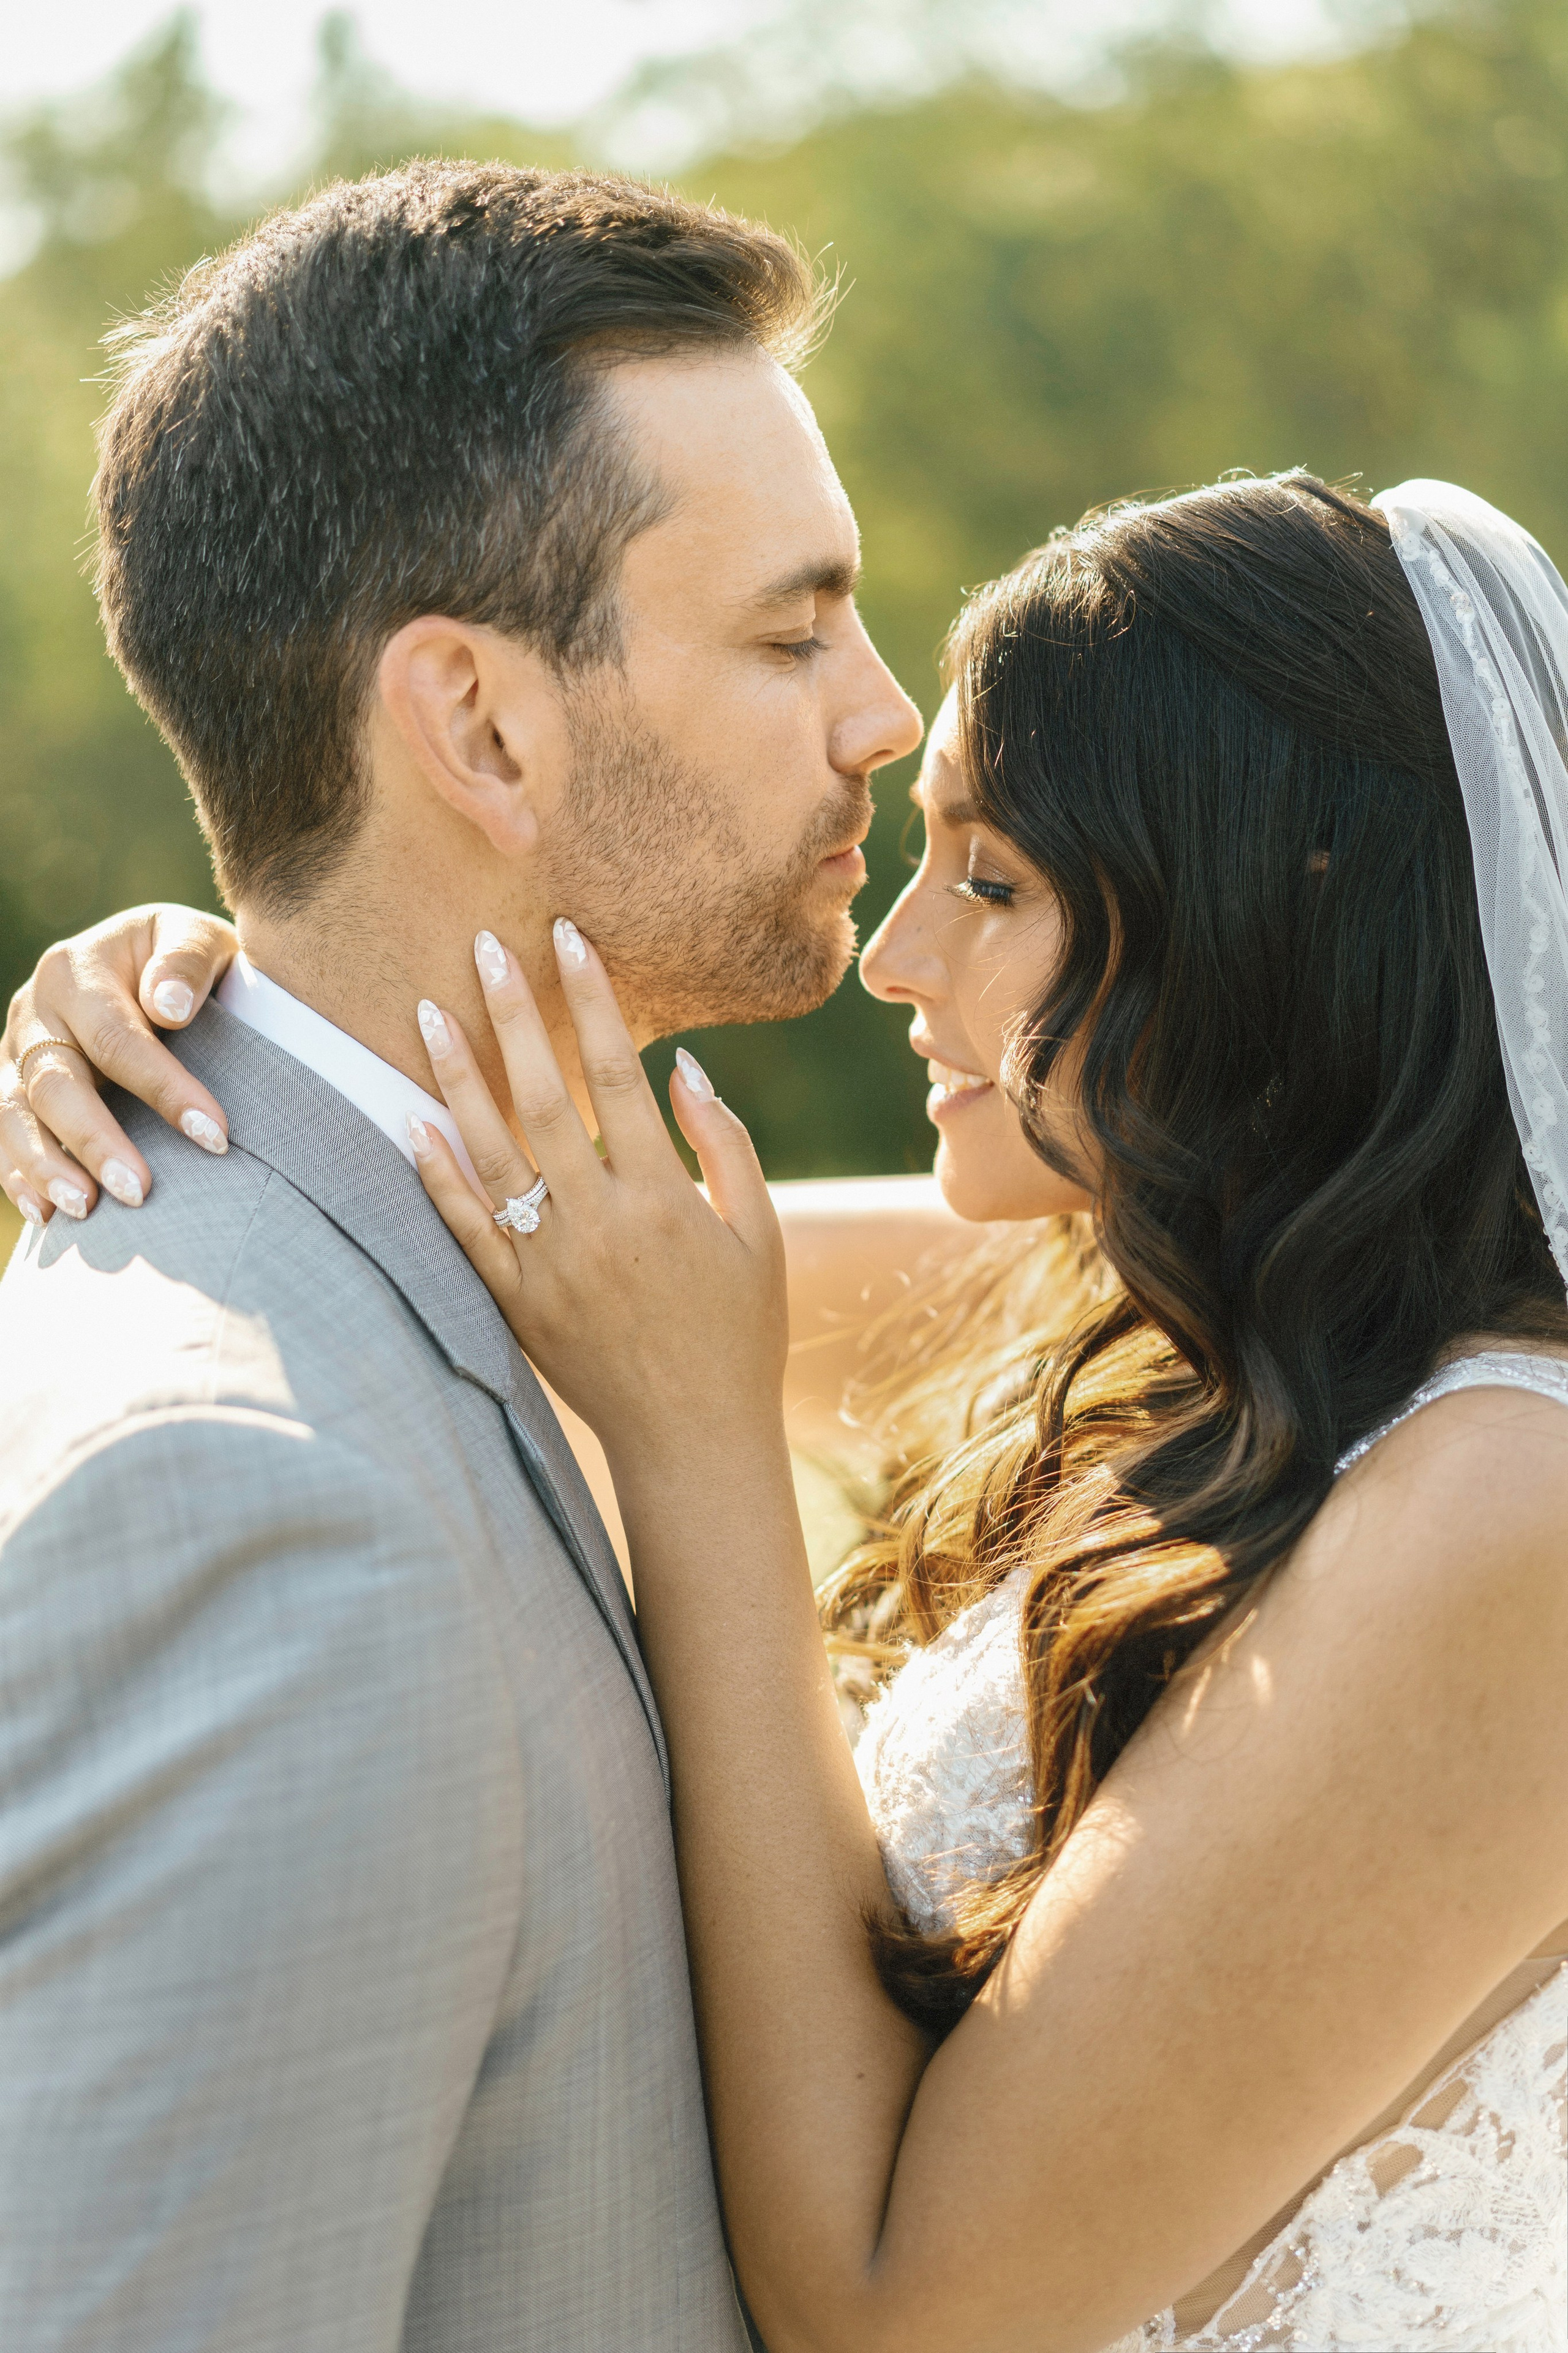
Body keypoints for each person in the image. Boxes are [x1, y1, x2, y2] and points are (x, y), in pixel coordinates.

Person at [17, 470, 1568, 2353]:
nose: (899, 956)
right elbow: (523, 1205)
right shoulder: (1216, 1312)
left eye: (992, 882)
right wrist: (210, 988)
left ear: (1264, 907)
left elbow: (895, 2308)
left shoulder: (1514, 1505)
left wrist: (702, 1459)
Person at [0, 158, 926, 2349]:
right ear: (482, 727)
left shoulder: (507, 1265)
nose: (880, 714)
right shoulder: (264, 1508)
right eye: (794, 631)